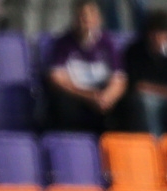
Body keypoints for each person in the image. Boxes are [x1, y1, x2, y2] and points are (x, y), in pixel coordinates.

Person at [46, 0, 128, 133]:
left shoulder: (108, 44)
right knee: (62, 104)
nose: (86, 21)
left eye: (90, 16)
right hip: (77, 97)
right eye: (82, 16)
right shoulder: (63, 44)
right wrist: (88, 96)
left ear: (98, 19)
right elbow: (56, 79)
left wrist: (107, 98)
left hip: (101, 98)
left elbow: (119, 79)